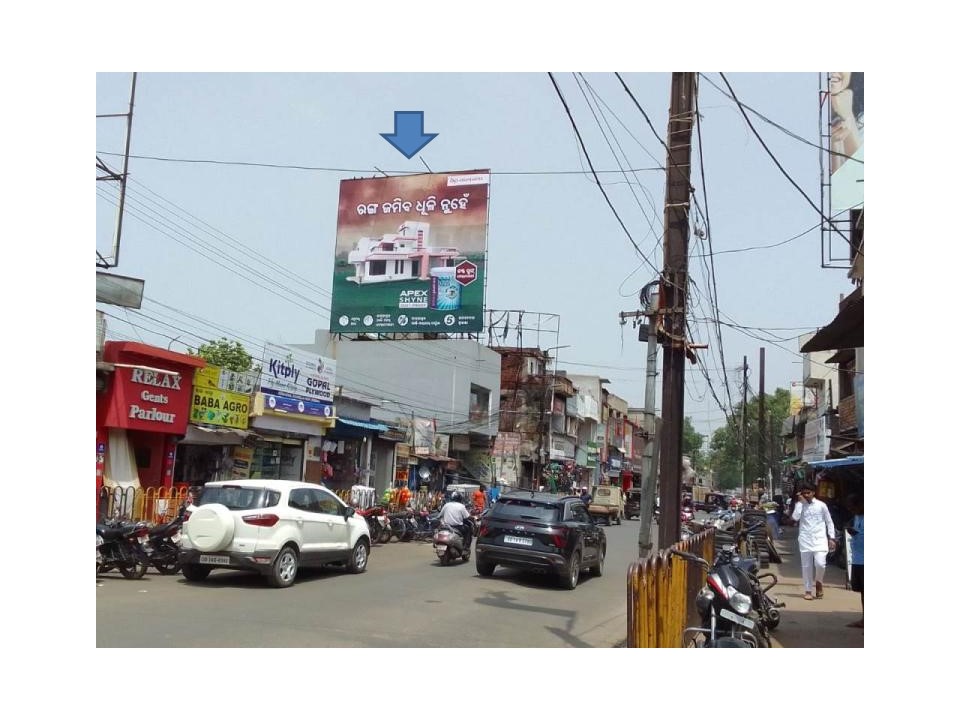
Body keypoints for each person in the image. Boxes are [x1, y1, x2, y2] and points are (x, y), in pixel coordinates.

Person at [792, 483, 837, 601]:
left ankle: (819, 582)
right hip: (805, 539)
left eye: (808, 492)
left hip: (820, 539)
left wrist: (831, 537)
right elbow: (795, 518)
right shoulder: (799, 505)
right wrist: (800, 504)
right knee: (806, 566)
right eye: (804, 493)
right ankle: (808, 590)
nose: (806, 495)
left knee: (820, 564)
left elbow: (829, 522)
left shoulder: (821, 505)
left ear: (813, 493)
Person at [845, 493, 864, 628]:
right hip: (857, 559)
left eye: (853, 506)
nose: (851, 509)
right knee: (863, 591)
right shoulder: (857, 517)